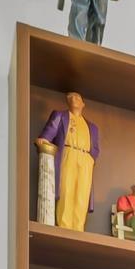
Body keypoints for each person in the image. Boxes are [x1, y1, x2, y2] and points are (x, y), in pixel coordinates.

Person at [35, 91, 98, 229]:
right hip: (68, 153)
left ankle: (78, 226)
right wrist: (44, 139)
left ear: (83, 104)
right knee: (66, 189)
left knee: (82, 193)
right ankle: (65, 225)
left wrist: (91, 159)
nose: (73, 98)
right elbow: (49, 131)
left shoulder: (91, 126)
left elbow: (95, 148)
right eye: (70, 97)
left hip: (85, 157)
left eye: (77, 97)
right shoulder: (61, 116)